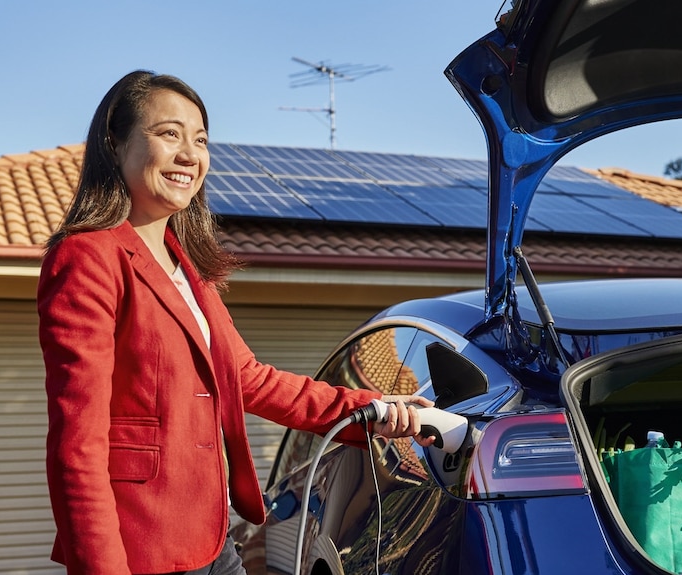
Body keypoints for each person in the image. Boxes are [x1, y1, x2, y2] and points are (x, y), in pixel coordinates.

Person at [37, 70, 435, 575]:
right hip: (140, 548)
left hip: (211, 535)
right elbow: (78, 442)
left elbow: (249, 379)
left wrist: (372, 409)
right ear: (115, 144)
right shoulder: (87, 257)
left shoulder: (190, 268)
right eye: (169, 134)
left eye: (200, 139)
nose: (189, 154)